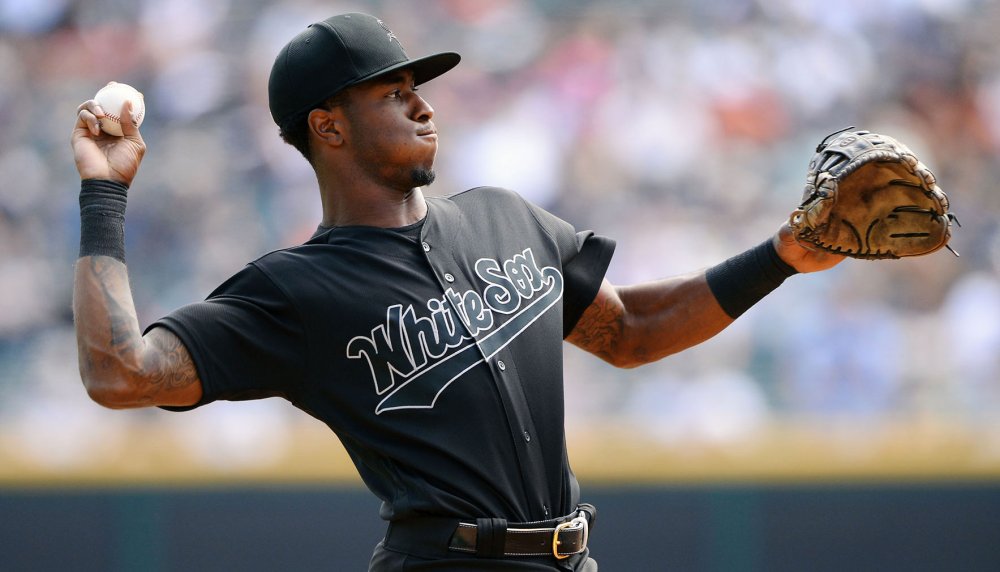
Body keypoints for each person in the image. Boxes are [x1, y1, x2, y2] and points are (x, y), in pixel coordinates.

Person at [71, 12, 843, 571]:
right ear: (328, 127)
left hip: (572, 558)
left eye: (418, 86)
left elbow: (634, 330)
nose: (423, 103)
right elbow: (121, 372)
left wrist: (783, 254)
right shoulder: (295, 290)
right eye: (391, 91)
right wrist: (105, 195)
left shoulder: (505, 218)